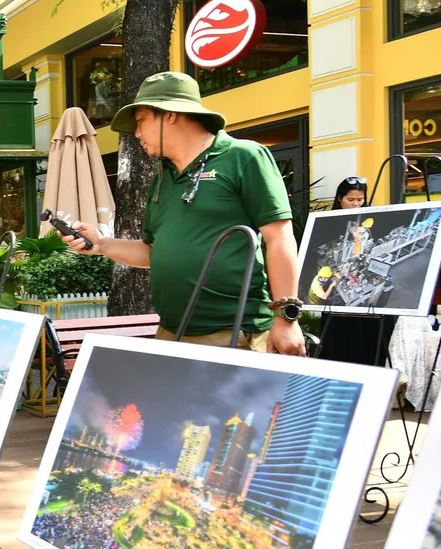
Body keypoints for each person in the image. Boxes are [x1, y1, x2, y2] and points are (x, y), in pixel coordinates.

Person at [59, 72, 306, 355]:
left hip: (234, 332)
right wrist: (101, 244)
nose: (136, 132)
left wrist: (286, 319)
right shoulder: (162, 178)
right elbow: (153, 251)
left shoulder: (243, 157)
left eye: (141, 121)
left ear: (170, 114)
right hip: (172, 332)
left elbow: (279, 237)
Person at [318, 177, 396, 365]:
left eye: (360, 199)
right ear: (339, 198)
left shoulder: (372, 220)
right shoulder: (326, 223)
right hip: (337, 299)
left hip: (365, 292)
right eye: (350, 200)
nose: (356, 204)